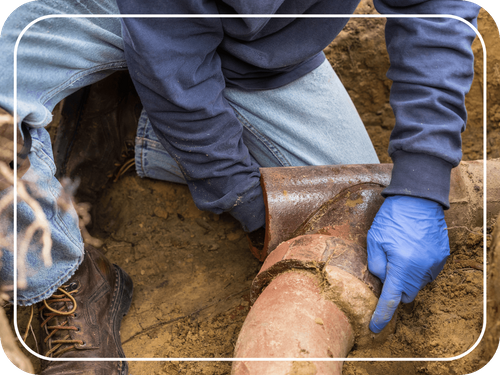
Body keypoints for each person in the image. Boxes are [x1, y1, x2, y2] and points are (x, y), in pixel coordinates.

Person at [0, 0, 481, 373]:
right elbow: (174, 64)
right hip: (100, 11)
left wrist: (423, 181)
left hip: (253, 45)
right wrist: (248, 202)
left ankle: (130, 123)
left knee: (347, 206)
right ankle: (62, 280)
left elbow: (436, 12)